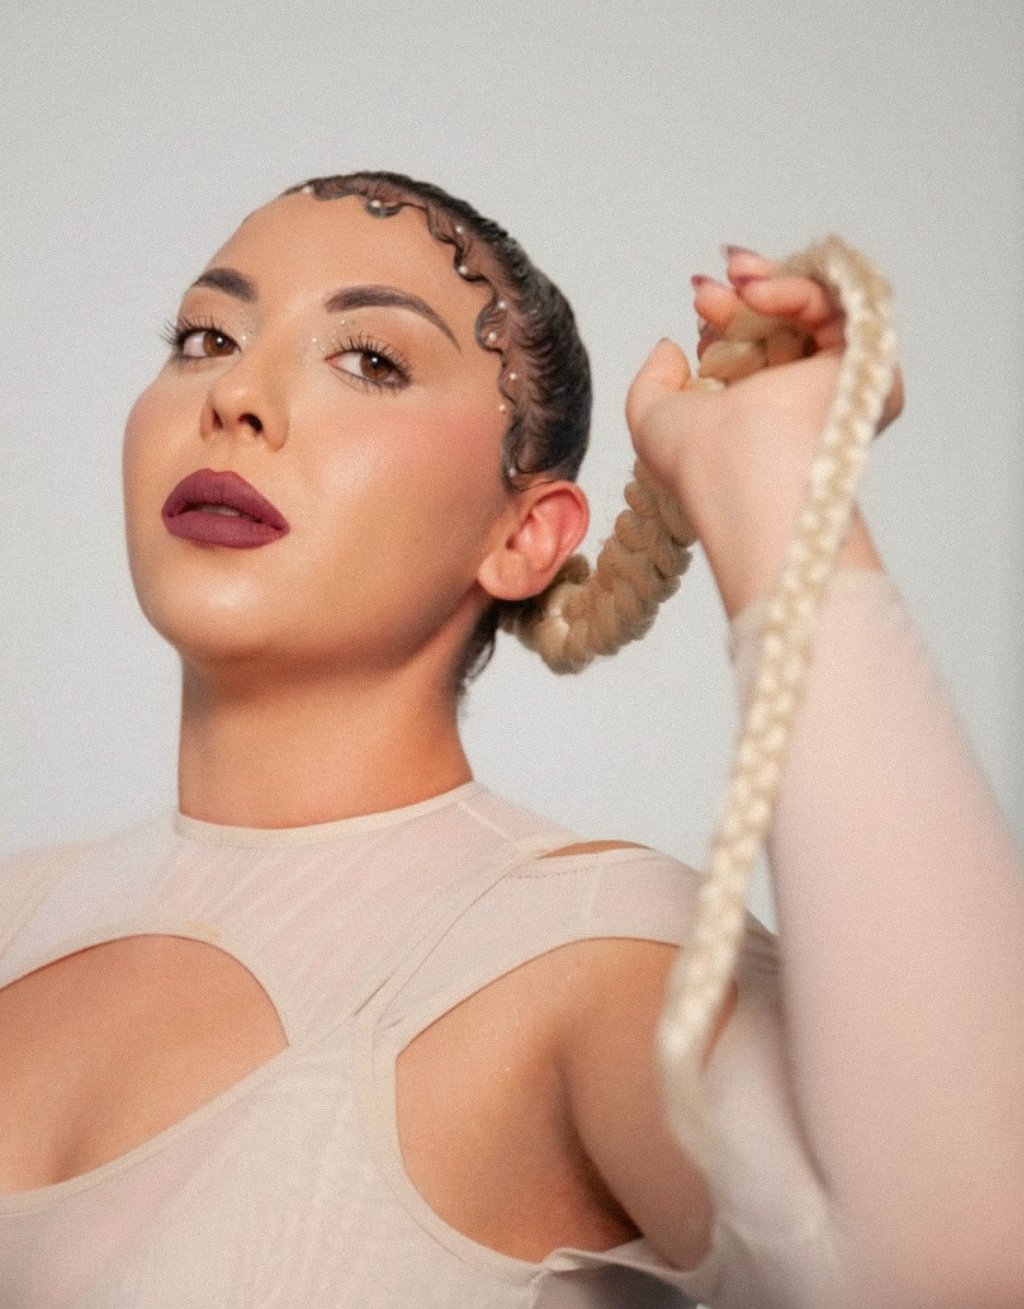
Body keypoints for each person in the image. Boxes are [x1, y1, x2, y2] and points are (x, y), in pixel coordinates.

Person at [0, 171, 1022, 1309]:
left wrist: (776, 483)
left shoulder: (584, 960)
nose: (237, 393)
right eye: (205, 337)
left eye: (369, 359)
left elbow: (954, 1261)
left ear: (527, 537)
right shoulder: (18, 907)